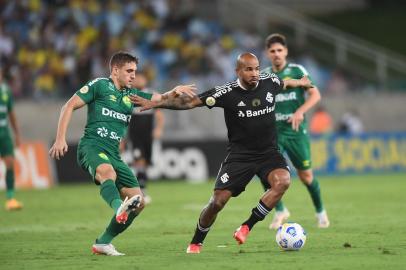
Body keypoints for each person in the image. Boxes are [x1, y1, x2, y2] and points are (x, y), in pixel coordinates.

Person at [130, 52, 314, 254]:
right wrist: (157, 103)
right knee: (217, 202)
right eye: (249, 69)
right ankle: (196, 241)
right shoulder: (226, 92)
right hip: (239, 156)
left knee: (283, 181)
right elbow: (189, 103)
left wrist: (301, 81)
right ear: (238, 71)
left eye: (257, 68)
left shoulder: (269, 81)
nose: (254, 73)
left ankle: (247, 226)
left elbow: (285, 82)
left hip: (268, 153)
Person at [49, 51, 195, 256]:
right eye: (129, 71)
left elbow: (161, 99)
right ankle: (119, 207)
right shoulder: (99, 85)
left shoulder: (131, 95)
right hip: (92, 146)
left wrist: (174, 91)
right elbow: (69, 105)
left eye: (134, 71)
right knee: (107, 173)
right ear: (115, 71)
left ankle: (103, 242)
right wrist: (60, 138)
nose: (133, 75)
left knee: (139, 202)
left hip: (114, 154)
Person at [262, 33, 329, 229]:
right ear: (267, 54)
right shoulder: (265, 76)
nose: (276, 54)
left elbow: (315, 95)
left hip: (296, 131)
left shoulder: (297, 70)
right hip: (274, 133)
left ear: (286, 52)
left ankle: (320, 212)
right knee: (266, 172)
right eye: (272, 51)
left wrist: (300, 111)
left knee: (306, 176)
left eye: (279, 50)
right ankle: (280, 210)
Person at [127, 72, 165, 204]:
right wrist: (122, 137)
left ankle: (141, 187)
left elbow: (159, 112)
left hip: (148, 134)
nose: (139, 80)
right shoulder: (129, 94)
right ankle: (141, 192)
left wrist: (159, 128)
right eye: (137, 78)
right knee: (139, 160)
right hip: (134, 134)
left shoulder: (151, 94)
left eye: (141, 77)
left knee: (146, 162)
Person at [0, 68, 23, 211]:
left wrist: (17, 134)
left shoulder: (6, 91)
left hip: (4, 131)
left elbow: (11, 114)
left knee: (9, 162)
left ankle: (10, 198)